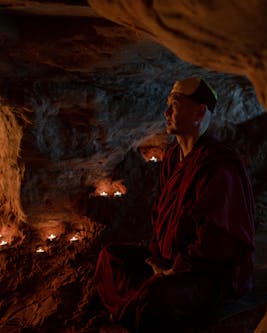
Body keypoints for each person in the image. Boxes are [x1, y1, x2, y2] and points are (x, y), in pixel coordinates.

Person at [94, 77, 256, 332]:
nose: (166, 112)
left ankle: (136, 304)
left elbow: (218, 242)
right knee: (111, 257)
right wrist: (158, 255)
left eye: (176, 105)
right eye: (168, 105)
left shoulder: (219, 166)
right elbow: (160, 210)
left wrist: (176, 267)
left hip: (204, 272)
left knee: (156, 295)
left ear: (199, 111)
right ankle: (136, 305)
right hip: (168, 260)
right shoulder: (172, 157)